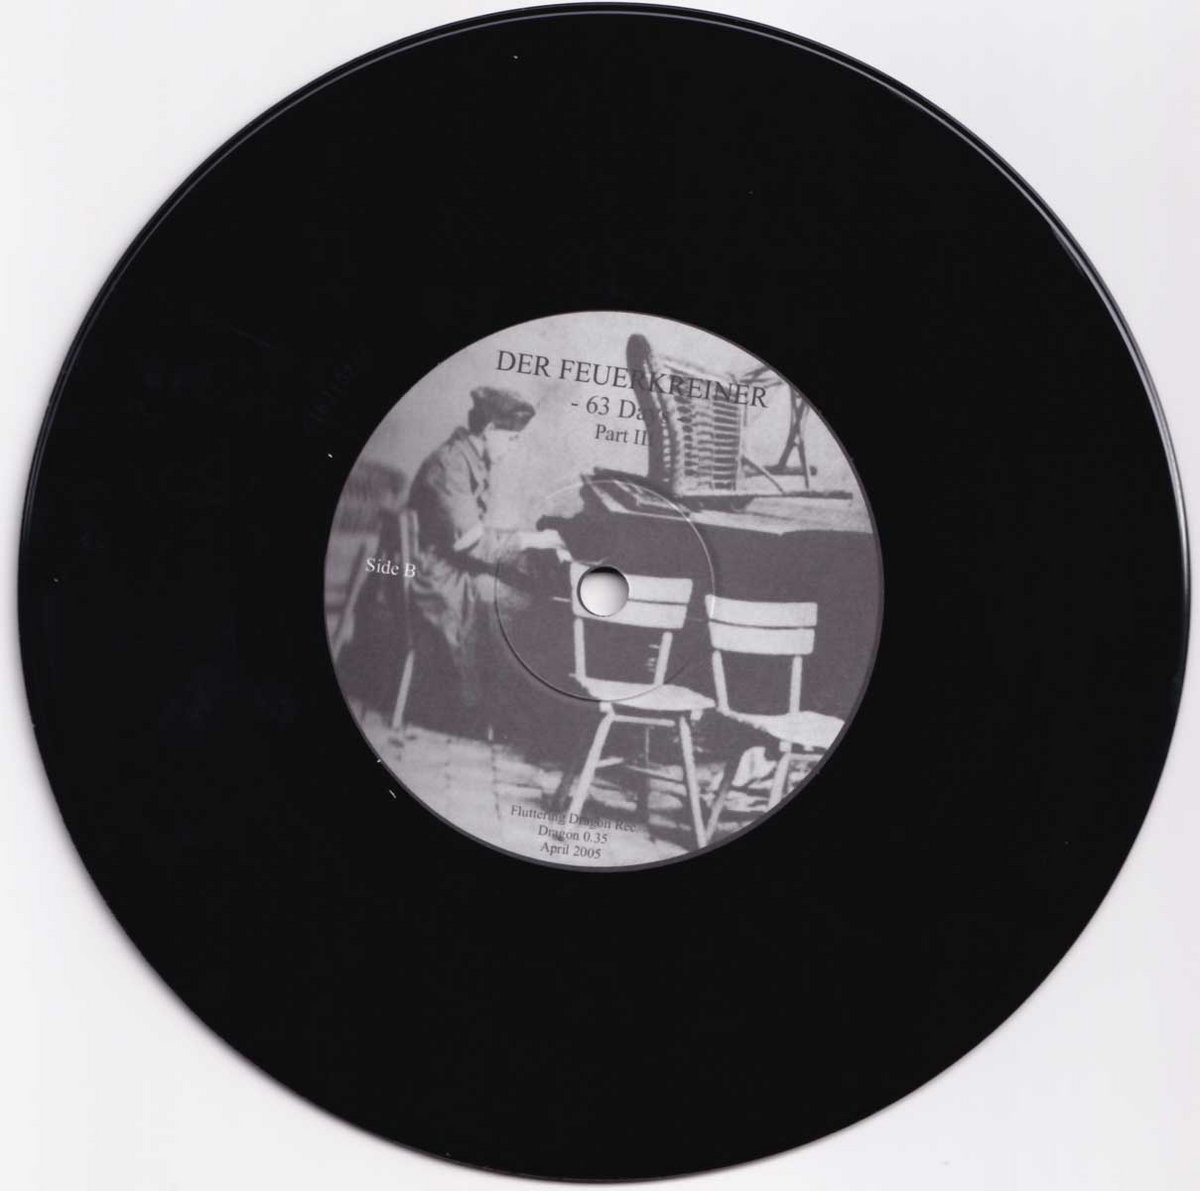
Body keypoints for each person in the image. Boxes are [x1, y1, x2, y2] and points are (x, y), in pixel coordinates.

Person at [406, 386, 565, 732]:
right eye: (512, 438)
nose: (514, 447)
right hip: (433, 574)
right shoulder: (450, 464)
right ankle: (484, 711)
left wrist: (528, 545)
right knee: (508, 598)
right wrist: (531, 539)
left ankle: (511, 706)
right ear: (490, 429)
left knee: (525, 580)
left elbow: (471, 535)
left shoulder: (471, 458)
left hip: (447, 564)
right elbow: (468, 542)